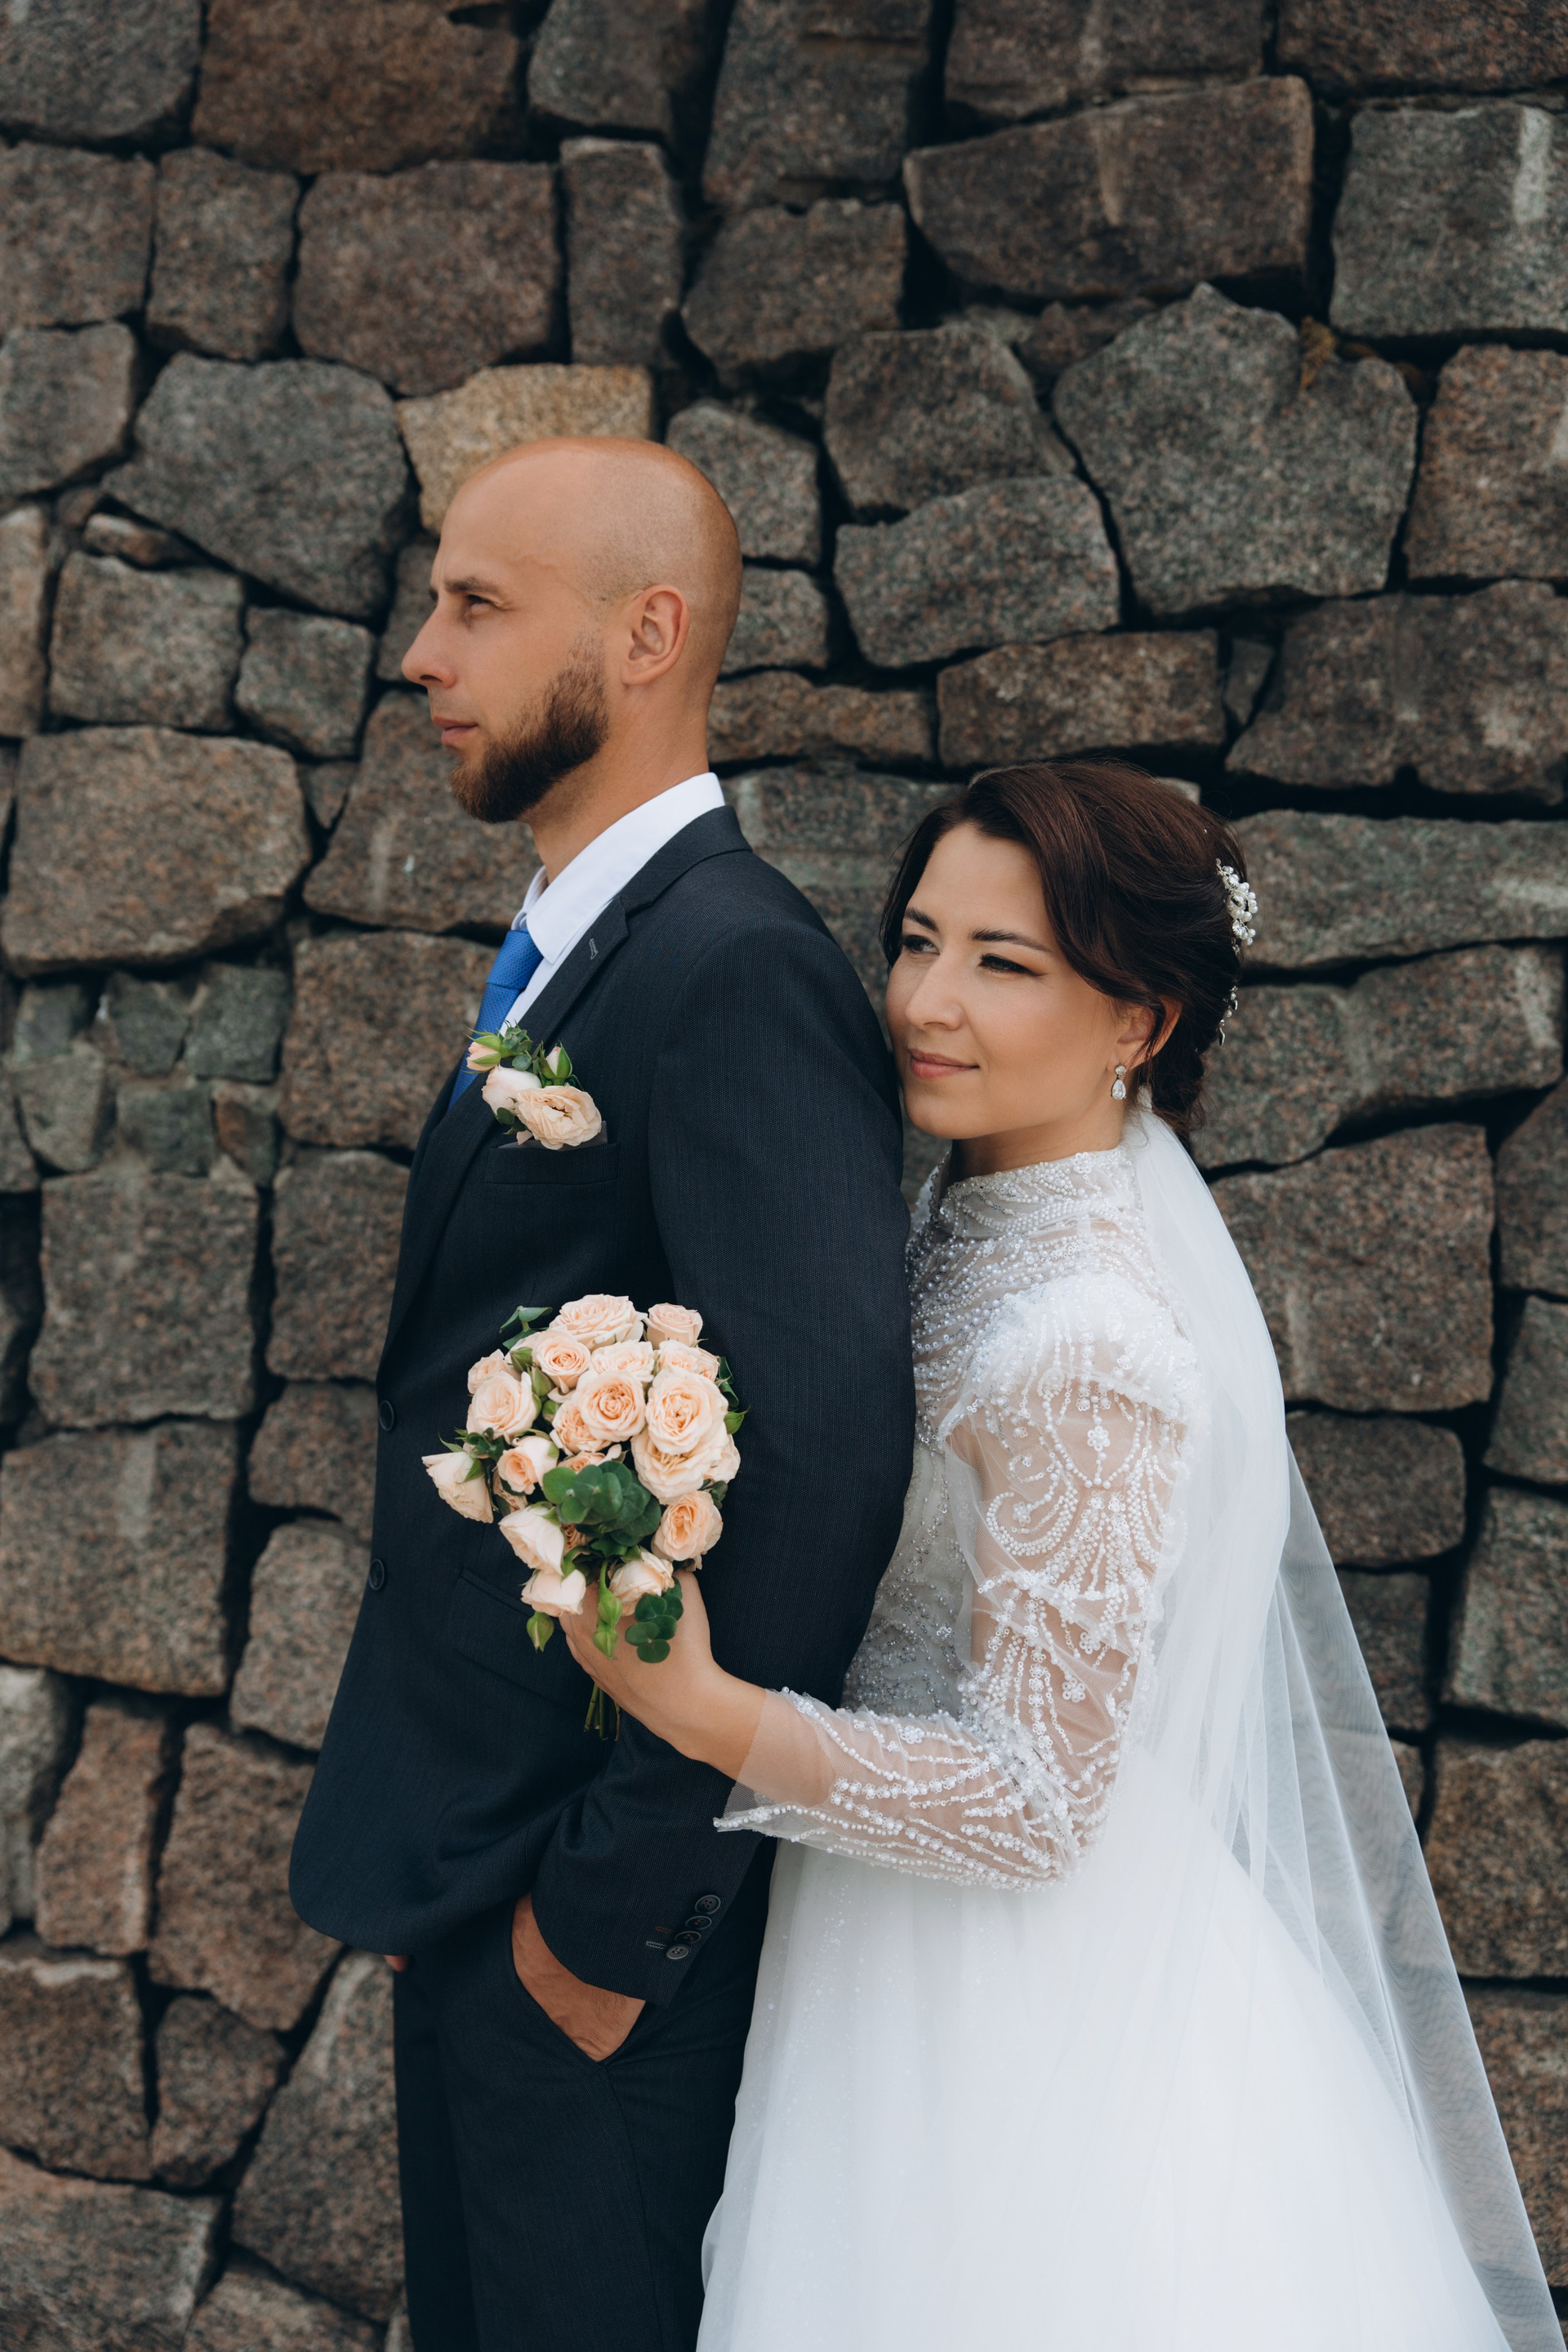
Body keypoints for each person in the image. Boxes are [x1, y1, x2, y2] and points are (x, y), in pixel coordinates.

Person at [564, 760, 1560, 2352]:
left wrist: (706, 1713)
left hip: (1002, 2004)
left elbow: (1036, 1806)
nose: (926, 1001)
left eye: (1003, 963)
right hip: (871, 1939)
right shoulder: (963, 1210)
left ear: (1138, 1024)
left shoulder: (1088, 1339)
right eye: (916, 940)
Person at [288, 437, 915, 2352]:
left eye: (477, 605)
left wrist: (608, 1924)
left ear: (646, 637)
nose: (422, 653)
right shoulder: (576, 950)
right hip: (478, 1873)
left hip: (590, 1931)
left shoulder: (733, 970)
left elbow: (818, 1469)